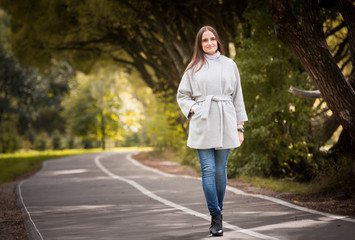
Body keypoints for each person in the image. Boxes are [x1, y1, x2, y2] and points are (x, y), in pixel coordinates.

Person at [177, 26, 248, 237]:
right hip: (203, 120)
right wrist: (195, 108)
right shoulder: (193, 67)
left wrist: (240, 127)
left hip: (226, 119)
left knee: (220, 170)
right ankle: (216, 215)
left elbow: (238, 97)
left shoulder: (230, 65)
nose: (209, 43)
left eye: (212, 39)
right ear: (199, 44)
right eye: (205, 40)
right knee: (207, 169)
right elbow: (183, 95)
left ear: (218, 41)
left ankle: (218, 211)